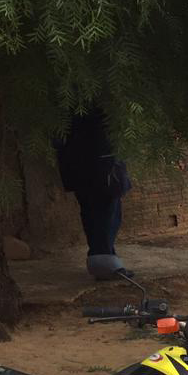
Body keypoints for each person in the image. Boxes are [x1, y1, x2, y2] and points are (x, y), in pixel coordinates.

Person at [54, 106, 132, 279]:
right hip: (101, 166)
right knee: (106, 215)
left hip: (77, 166)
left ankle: (104, 260)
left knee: (92, 214)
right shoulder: (97, 104)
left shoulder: (65, 108)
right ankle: (105, 264)